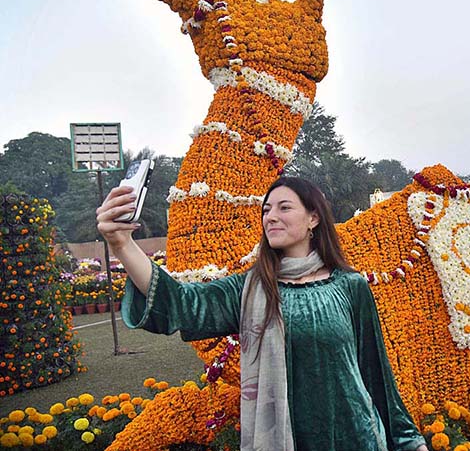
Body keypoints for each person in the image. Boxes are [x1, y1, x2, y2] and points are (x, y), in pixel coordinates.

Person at [96, 177, 429, 451]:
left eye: (284, 208)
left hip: (355, 439)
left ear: (313, 218)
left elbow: (375, 373)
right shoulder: (251, 289)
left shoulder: (349, 285)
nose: (270, 216)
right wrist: (122, 244)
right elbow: (181, 305)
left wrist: (409, 442)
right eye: (266, 210)